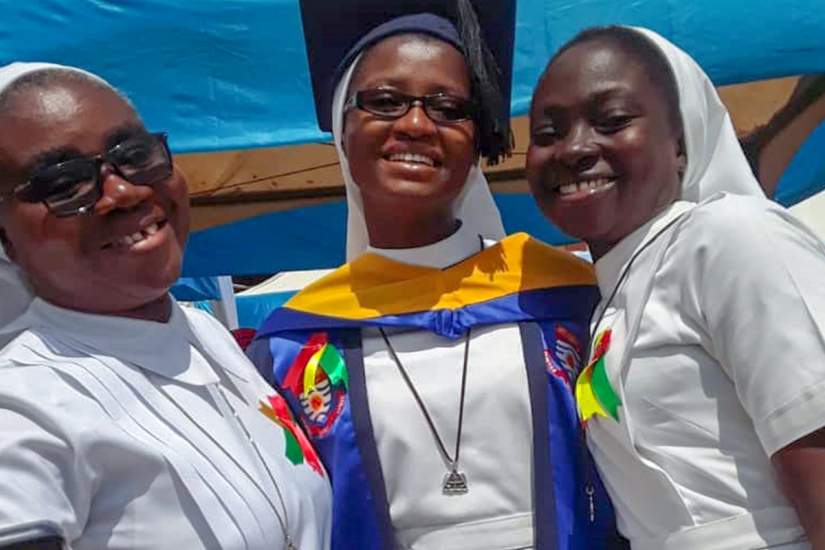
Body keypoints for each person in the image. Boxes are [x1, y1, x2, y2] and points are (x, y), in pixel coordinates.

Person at [248, 1, 620, 548]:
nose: (417, 125)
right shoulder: (291, 345)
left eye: (448, 107)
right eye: (385, 102)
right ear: (342, 130)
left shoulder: (567, 297)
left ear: (476, 142)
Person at [0, 62, 331, 549]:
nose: (123, 192)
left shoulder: (207, 339)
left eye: (133, 155)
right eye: (63, 184)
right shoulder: (25, 405)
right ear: (5, 239)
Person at [526, 25, 825, 550]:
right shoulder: (610, 298)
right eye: (548, 133)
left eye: (612, 121)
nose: (573, 148)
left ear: (680, 144)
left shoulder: (729, 238)